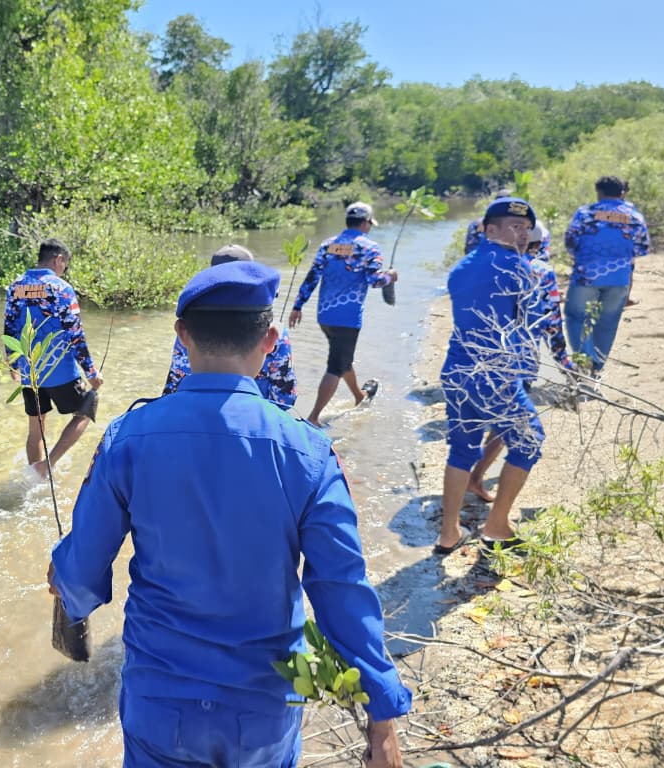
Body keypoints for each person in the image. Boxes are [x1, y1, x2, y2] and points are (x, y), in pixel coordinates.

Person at [48, 261, 410, 768]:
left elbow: (82, 574)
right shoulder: (308, 451)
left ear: (181, 337)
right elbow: (341, 589)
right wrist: (381, 715)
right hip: (262, 711)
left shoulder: (127, 438)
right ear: (270, 340)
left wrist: (63, 578)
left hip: (160, 706)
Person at [435, 197, 545, 553]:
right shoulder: (520, 267)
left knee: (462, 448)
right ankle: (497, 525)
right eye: (514, 227)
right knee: (529, 440)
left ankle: (448, 533)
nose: (522, 234)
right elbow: (530, 324)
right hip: (494, 373)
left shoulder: (461, 267)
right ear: (489, 229)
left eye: (526, 228)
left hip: (457, 370)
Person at [465, 221, 573, 503]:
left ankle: (468, 475)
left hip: (481, 354)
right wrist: (566, 365)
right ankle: (475, 479)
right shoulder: (542, 272)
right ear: (540, 244)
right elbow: (552, 325)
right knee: (511, 424)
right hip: (520, 360)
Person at [287, 201, 398, 425]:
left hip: (325, 315)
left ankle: (359, 396)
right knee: (335, 366)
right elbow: (374, 281)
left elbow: (312, 276)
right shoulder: (370, 248)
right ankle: (313, 418)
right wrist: (391, 276)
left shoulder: (329, 245)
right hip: (347, 318)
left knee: (342, 357)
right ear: (366, 223)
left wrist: (298, 305)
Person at [4, 238, 103, 478]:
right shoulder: (61, 288)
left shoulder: (15, 286)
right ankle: (49, 463)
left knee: (35, 428)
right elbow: (75, 333)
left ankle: (34, 481)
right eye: (65, 264)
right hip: (61, 371)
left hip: (30, 372)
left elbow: (9, 328)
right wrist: (91, 373)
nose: (64, 269)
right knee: (87, 410)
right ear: (58, 259)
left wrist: (13, 363)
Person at [162, 244, 297, 410]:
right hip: (255, 416)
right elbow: (284, 395)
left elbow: (175, 383)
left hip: (194, 412)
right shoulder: (276, 331)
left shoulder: (191, 327)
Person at [562, 175, 650, 377]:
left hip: (586, 276)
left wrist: (585, 256)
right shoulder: (634, 216)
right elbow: (642, 247)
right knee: (608, 321)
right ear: (622, 193)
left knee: (577, 316)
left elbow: (570, 241)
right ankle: (597, 365)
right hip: (620, 278)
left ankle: (586, 359)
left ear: (599, 193)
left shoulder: (586, 213)